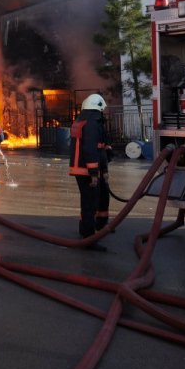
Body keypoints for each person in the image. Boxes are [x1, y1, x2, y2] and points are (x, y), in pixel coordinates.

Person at [69, 93, 112, 251]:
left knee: (91, 200)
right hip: (87, 170)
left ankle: (89, 228)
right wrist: (94, 172)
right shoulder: (92, 122)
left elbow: (99, 146)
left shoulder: (83, 118)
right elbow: (90, 148)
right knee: (90, 203)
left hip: (83, 168)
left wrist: (104, 164)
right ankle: (89, 237)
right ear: (98, 107)